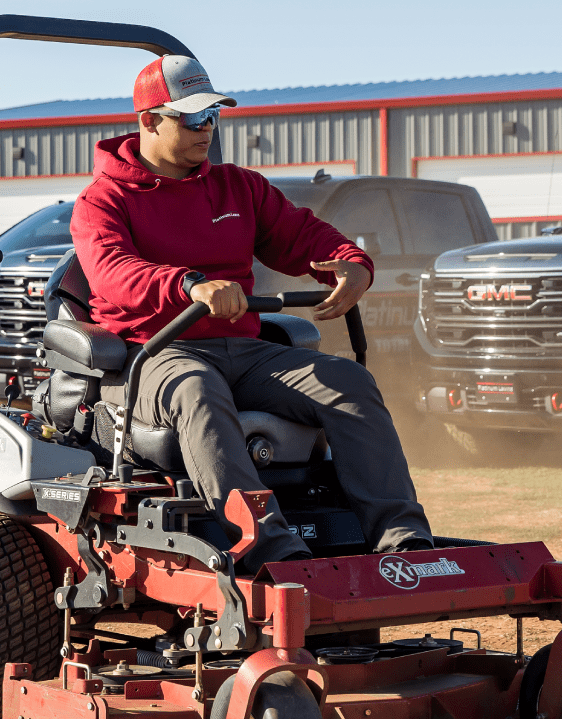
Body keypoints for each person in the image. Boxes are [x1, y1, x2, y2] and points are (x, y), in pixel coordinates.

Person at [70, 54, 432, 573]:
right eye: (193, 118)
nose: (208, 129)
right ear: (149, 120)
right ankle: (270, 552)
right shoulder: (103, 200)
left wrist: (351, 263)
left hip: (242, 349)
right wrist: (190, 284)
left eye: (213, 116)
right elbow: (113, 274)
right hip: (152, 353)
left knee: (347, 381)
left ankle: (403, 540)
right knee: (197, 389)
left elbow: (299, 235)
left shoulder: (239, 187)